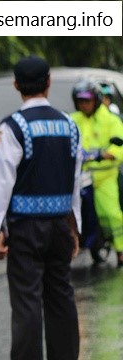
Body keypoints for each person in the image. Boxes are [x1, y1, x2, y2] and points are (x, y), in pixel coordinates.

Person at [0, 55, 81, 360]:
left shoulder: (14, 127)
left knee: (27, 302)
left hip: (26, 228)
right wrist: (73, 225)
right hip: (58, 225)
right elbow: (75, 180)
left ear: (16, 85)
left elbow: (2, 182)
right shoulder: (69, 125)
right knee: (61, 297)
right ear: (49, 82)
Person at [70, 80, 123, 266]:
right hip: (80, 177)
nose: (84, 105)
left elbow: (120, 148)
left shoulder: (111, 120)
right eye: (80, 101)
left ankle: (120, 250)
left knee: (111, 214)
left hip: (105, 176)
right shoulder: (73, 119)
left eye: (87, 100)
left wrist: (101, 154)